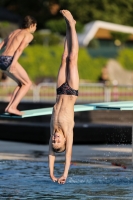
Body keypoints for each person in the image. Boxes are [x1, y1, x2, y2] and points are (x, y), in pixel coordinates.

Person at [49, 10, 79, 184]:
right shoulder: (68, 132)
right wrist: (64, 174)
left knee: (63, 57)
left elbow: (51, 153)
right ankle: (72, 26)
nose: (54, 139)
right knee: (73, 58)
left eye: (53, 141)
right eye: (57, 141)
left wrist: (52, 174)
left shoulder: (53, 129)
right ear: (64, 141)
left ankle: (68, 25)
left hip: (60, 90)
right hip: (72, 91)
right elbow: (67, 155)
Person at [0, 15, 37, 115]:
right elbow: (19, 49)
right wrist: (14, 63)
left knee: (21, 83)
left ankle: (9, 108)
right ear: (32, 25)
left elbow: (2, 43)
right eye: (35, 26)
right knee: (27, 83)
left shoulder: (14, 32)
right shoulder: (28, 35)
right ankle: (13, 107)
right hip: (10, 59)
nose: (35, 29)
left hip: (1, 59)